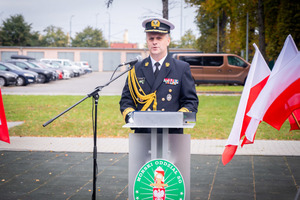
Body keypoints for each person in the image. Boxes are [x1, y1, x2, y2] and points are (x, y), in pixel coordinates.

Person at [119, 17, 198, 133]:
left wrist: (178, 118)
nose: (154, 42)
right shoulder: (136, 68)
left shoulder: (181, 68)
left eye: (159, 38)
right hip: (143, 133)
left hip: (171, 133)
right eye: (151, 38)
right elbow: (126, 100)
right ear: (147, 41)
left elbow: (191, 101)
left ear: (168, 41)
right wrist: (130, 116)